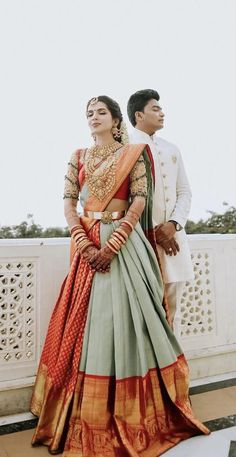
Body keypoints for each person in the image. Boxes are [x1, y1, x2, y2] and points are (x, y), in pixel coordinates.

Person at [30, 95, 209, 456]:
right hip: (87, 246)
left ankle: (137, 410)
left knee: (135, 323)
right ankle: (88, 412)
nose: (94, 117)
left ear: (116, 120)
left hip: (126, 247)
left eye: (101, 112)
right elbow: (68, 202)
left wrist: (115, 243)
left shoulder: (133, 153)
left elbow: (140, 199)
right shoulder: (77, 156)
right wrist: (83, 241)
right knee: (89, 325)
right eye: (89, 113)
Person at [128, 89, 194, 333]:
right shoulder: (126, 147)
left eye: (161, 108)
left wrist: (173, 224)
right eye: (155, 108)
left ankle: (175, 370)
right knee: (145, 313)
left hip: (174, 240)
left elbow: (185, 192)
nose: (162, 112)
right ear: (139, 114)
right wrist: (151, 233)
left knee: (174, 312)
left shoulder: (172, 148)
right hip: (141, 242)